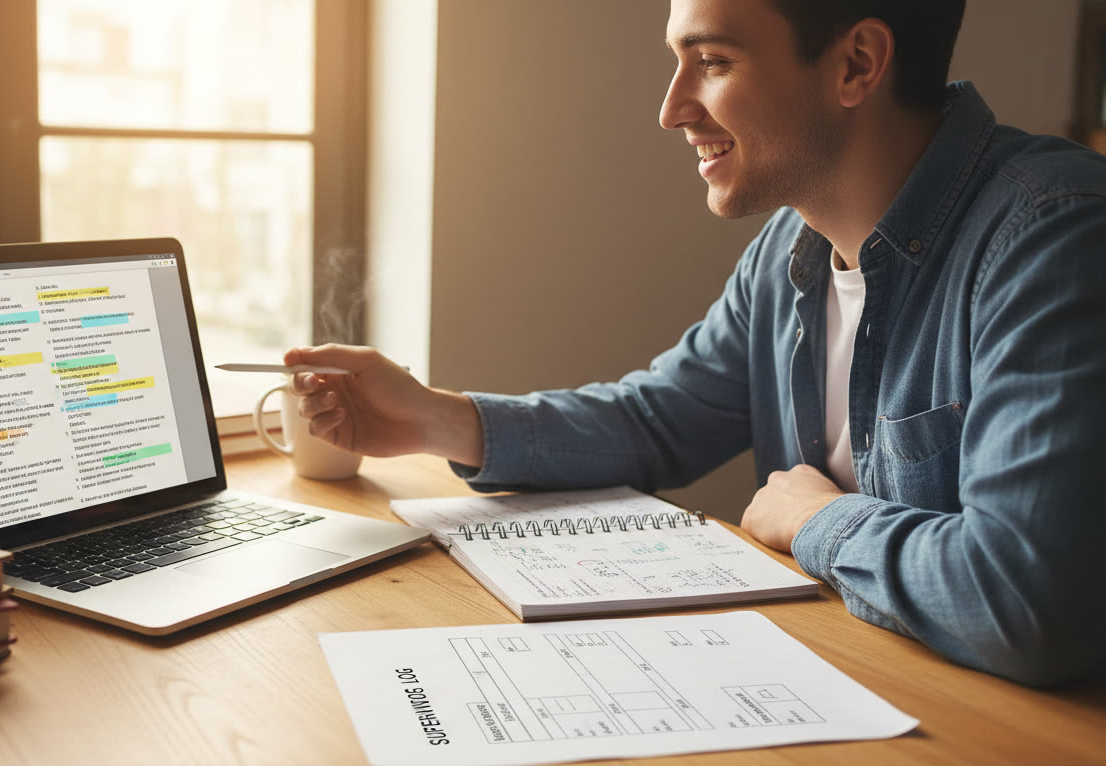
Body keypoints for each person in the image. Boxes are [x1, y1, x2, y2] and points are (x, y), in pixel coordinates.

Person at [284, 0, 1106, 686]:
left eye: (711, 61)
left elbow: (1023, 600)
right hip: (857, 689)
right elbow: (656, 421)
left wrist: (819, 521)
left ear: (856, 63)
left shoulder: (1052, 237)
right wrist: (437, 419)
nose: (672, 108)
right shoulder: (790, 252)